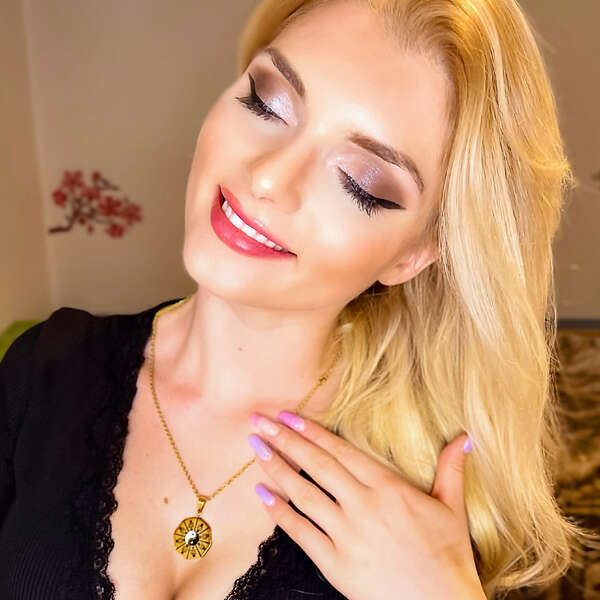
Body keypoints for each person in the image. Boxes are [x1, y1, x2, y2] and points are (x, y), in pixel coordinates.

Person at [2, 0, 599, 598]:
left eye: (360, 183)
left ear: (413, 255)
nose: (268, 177)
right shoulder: (44, 369)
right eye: (268, 102)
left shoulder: (428, 499)